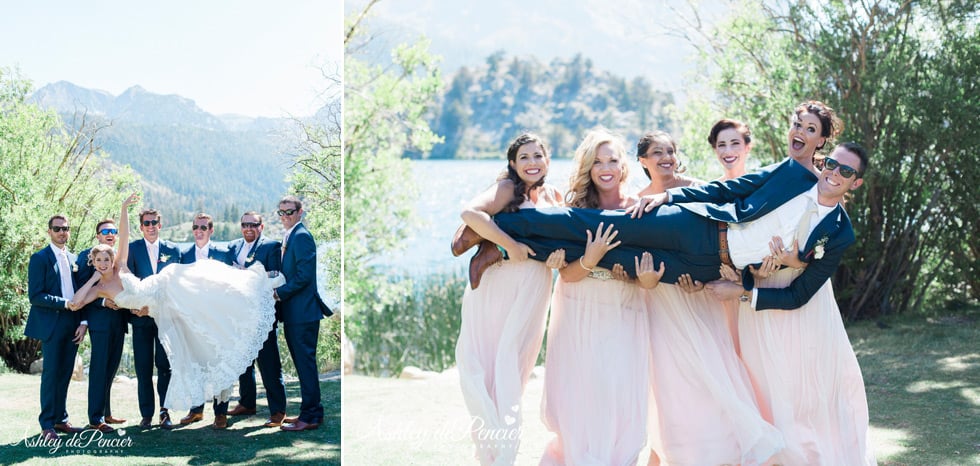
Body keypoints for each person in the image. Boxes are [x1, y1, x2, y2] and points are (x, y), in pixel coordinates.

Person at [492, 141, 869, 312]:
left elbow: (799, 294)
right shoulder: (793, 175)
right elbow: (728, 188)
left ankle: (506, 244)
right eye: (831, 164)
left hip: (707, 269)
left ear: (856, 182)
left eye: (846, 171)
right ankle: (502, 222)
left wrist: (740, 290)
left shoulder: (840, 234)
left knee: (611, 258)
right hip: (696, 226)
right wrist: (670, 198)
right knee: (596, 223)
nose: (834, 173)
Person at [729, 101, 876, 464]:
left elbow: (814, 254)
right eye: (799, 125)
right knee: (760, 380)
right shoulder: (787, 179)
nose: (833, 172)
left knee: (802, 383)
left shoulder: (831, 204)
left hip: (800, 303)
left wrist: (797, 260)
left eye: (811, 130)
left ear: (822, 140)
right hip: (762, 290)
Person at [630, 130, 784, 464]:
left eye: (670, 151)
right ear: (643, 161)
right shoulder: (635, 202)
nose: (666, 158)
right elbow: (634, 261)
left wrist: (703, 281)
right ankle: (672, 454)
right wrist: (647, 281)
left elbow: (722, 245)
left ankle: (724, 452)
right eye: (657, 153)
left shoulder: (699, 189)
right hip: (661, 304)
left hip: (702, 300)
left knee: (713, 377)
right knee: (670, 387)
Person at [70, 194, 280, 421]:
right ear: (94, 262)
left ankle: (242, 294)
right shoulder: (99, 288)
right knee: (174, 352)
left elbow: (125, 234)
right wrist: (93, 279)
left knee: (202, 284)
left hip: (159, 288)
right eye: (99, 261)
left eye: (106, 260)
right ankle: (158, 413)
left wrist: (123, 208)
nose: (104, 264)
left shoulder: (120, 264)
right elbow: (75, 303)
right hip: (153, 306)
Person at [537, 128, 662, 465]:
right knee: (581, 397)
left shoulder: (640, 209)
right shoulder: (574, 210)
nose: (605, 168)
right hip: (579, 313)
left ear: (624, 166)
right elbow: (566, 274)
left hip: (624, 314)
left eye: (612, 160)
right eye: (598, 161)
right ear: (588, 168)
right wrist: (590, 259)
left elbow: (648, 280)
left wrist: (646, 280)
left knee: (619, 395)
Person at [451, 133, 563, 464]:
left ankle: (498, 449)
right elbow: (470, 213)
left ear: (547, 159)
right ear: (513, 164)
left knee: (516, 366)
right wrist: (510, 245)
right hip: (499, 285)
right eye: (524, 157)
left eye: (537, 156)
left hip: (534, 287)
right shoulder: (507, 189)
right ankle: (498, 452)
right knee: (489, 365)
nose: (532, 163)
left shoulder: (554, 195)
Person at [25, 214, 87, 441]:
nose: (62, 232)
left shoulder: (74, 258)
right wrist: (64, 303)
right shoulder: (39, 258)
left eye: (66, 228)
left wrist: (83, 322)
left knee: (65, 374)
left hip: (73, 323)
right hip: (52, 323)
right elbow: (36, 295)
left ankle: (61, 419)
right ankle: (47, 424)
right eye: (58, 228)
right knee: (51, 374)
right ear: (49, 231)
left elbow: (81, 292)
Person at [226, 211, 288, 428]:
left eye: (253, 225)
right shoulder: (234, 247)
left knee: (269, 363)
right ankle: (247, 403)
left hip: (262, 314)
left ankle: (278, 410)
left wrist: (246, 275)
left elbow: (274, 276)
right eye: (245, 225)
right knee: (244, 362)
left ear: (261, 227)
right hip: (239, 315)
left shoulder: (271, 247)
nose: (248, 228)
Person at [274, 195, 329, 432]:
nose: (285, 216)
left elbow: (304, 277)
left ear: (300, 212)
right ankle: (309, 412)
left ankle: (311, 416)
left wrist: (279, 293)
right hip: (295, 313)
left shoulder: (303, 237)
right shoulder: (291, 236)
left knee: (306, 366)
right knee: (302, 364)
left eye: (289, 211)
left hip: (303, 314)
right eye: (282, 212)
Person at [176, 213, 236, 429]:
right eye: (195, 227)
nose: (199, 230)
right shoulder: (184, 255)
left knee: (220, 363)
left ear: (211, 230)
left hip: (218, 319)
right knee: (195, 366)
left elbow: (232, 284)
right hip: (192, 320)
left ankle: (221, 413)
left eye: (203, 227)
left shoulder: (223, 253)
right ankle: (196, 410)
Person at [126, 206, 181, 428]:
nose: (151, 226)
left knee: (165, 366)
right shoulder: (132, 249)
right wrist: (136, 307)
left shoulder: (174, 250)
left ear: (160, 224)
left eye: (154, 222)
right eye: (146, 223)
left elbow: (178, 286)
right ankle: (146, 413)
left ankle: (165, 412)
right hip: (140, 319)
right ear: (141, 227)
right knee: (143, 367)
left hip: (166, 319)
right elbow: (127, 283)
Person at [76, 219, 128, 432]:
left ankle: (106, 413)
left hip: (119, 322)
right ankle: (95, 418)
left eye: (113, 231)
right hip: (98, 323)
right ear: (97, 234)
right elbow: (80, 292)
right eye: (105, 231)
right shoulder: (87, 258)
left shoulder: (117, 259)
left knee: (111, 369)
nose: (110, 233)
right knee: (98, 370)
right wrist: (102, 303)